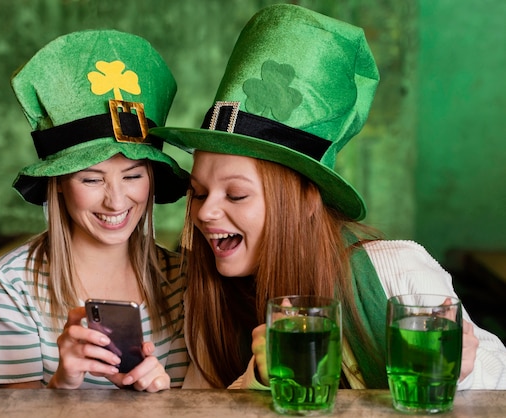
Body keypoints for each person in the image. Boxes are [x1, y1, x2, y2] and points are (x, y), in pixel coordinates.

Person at [151, 4, 506, 390]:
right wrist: (256, 380)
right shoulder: (207, 296)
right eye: (199, 193)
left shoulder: (395, 272)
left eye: (236, 195)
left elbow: (496, 372)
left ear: (306, 201)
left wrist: (461, 369)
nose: (205, 212)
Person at [0, 30, 190, 391]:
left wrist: (166, 402)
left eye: (133, 175)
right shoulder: (13, 282)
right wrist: (62, 384)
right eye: (92, 180)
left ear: (152, 179)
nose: (116, 200)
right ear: (59, 182)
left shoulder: (183, 281)